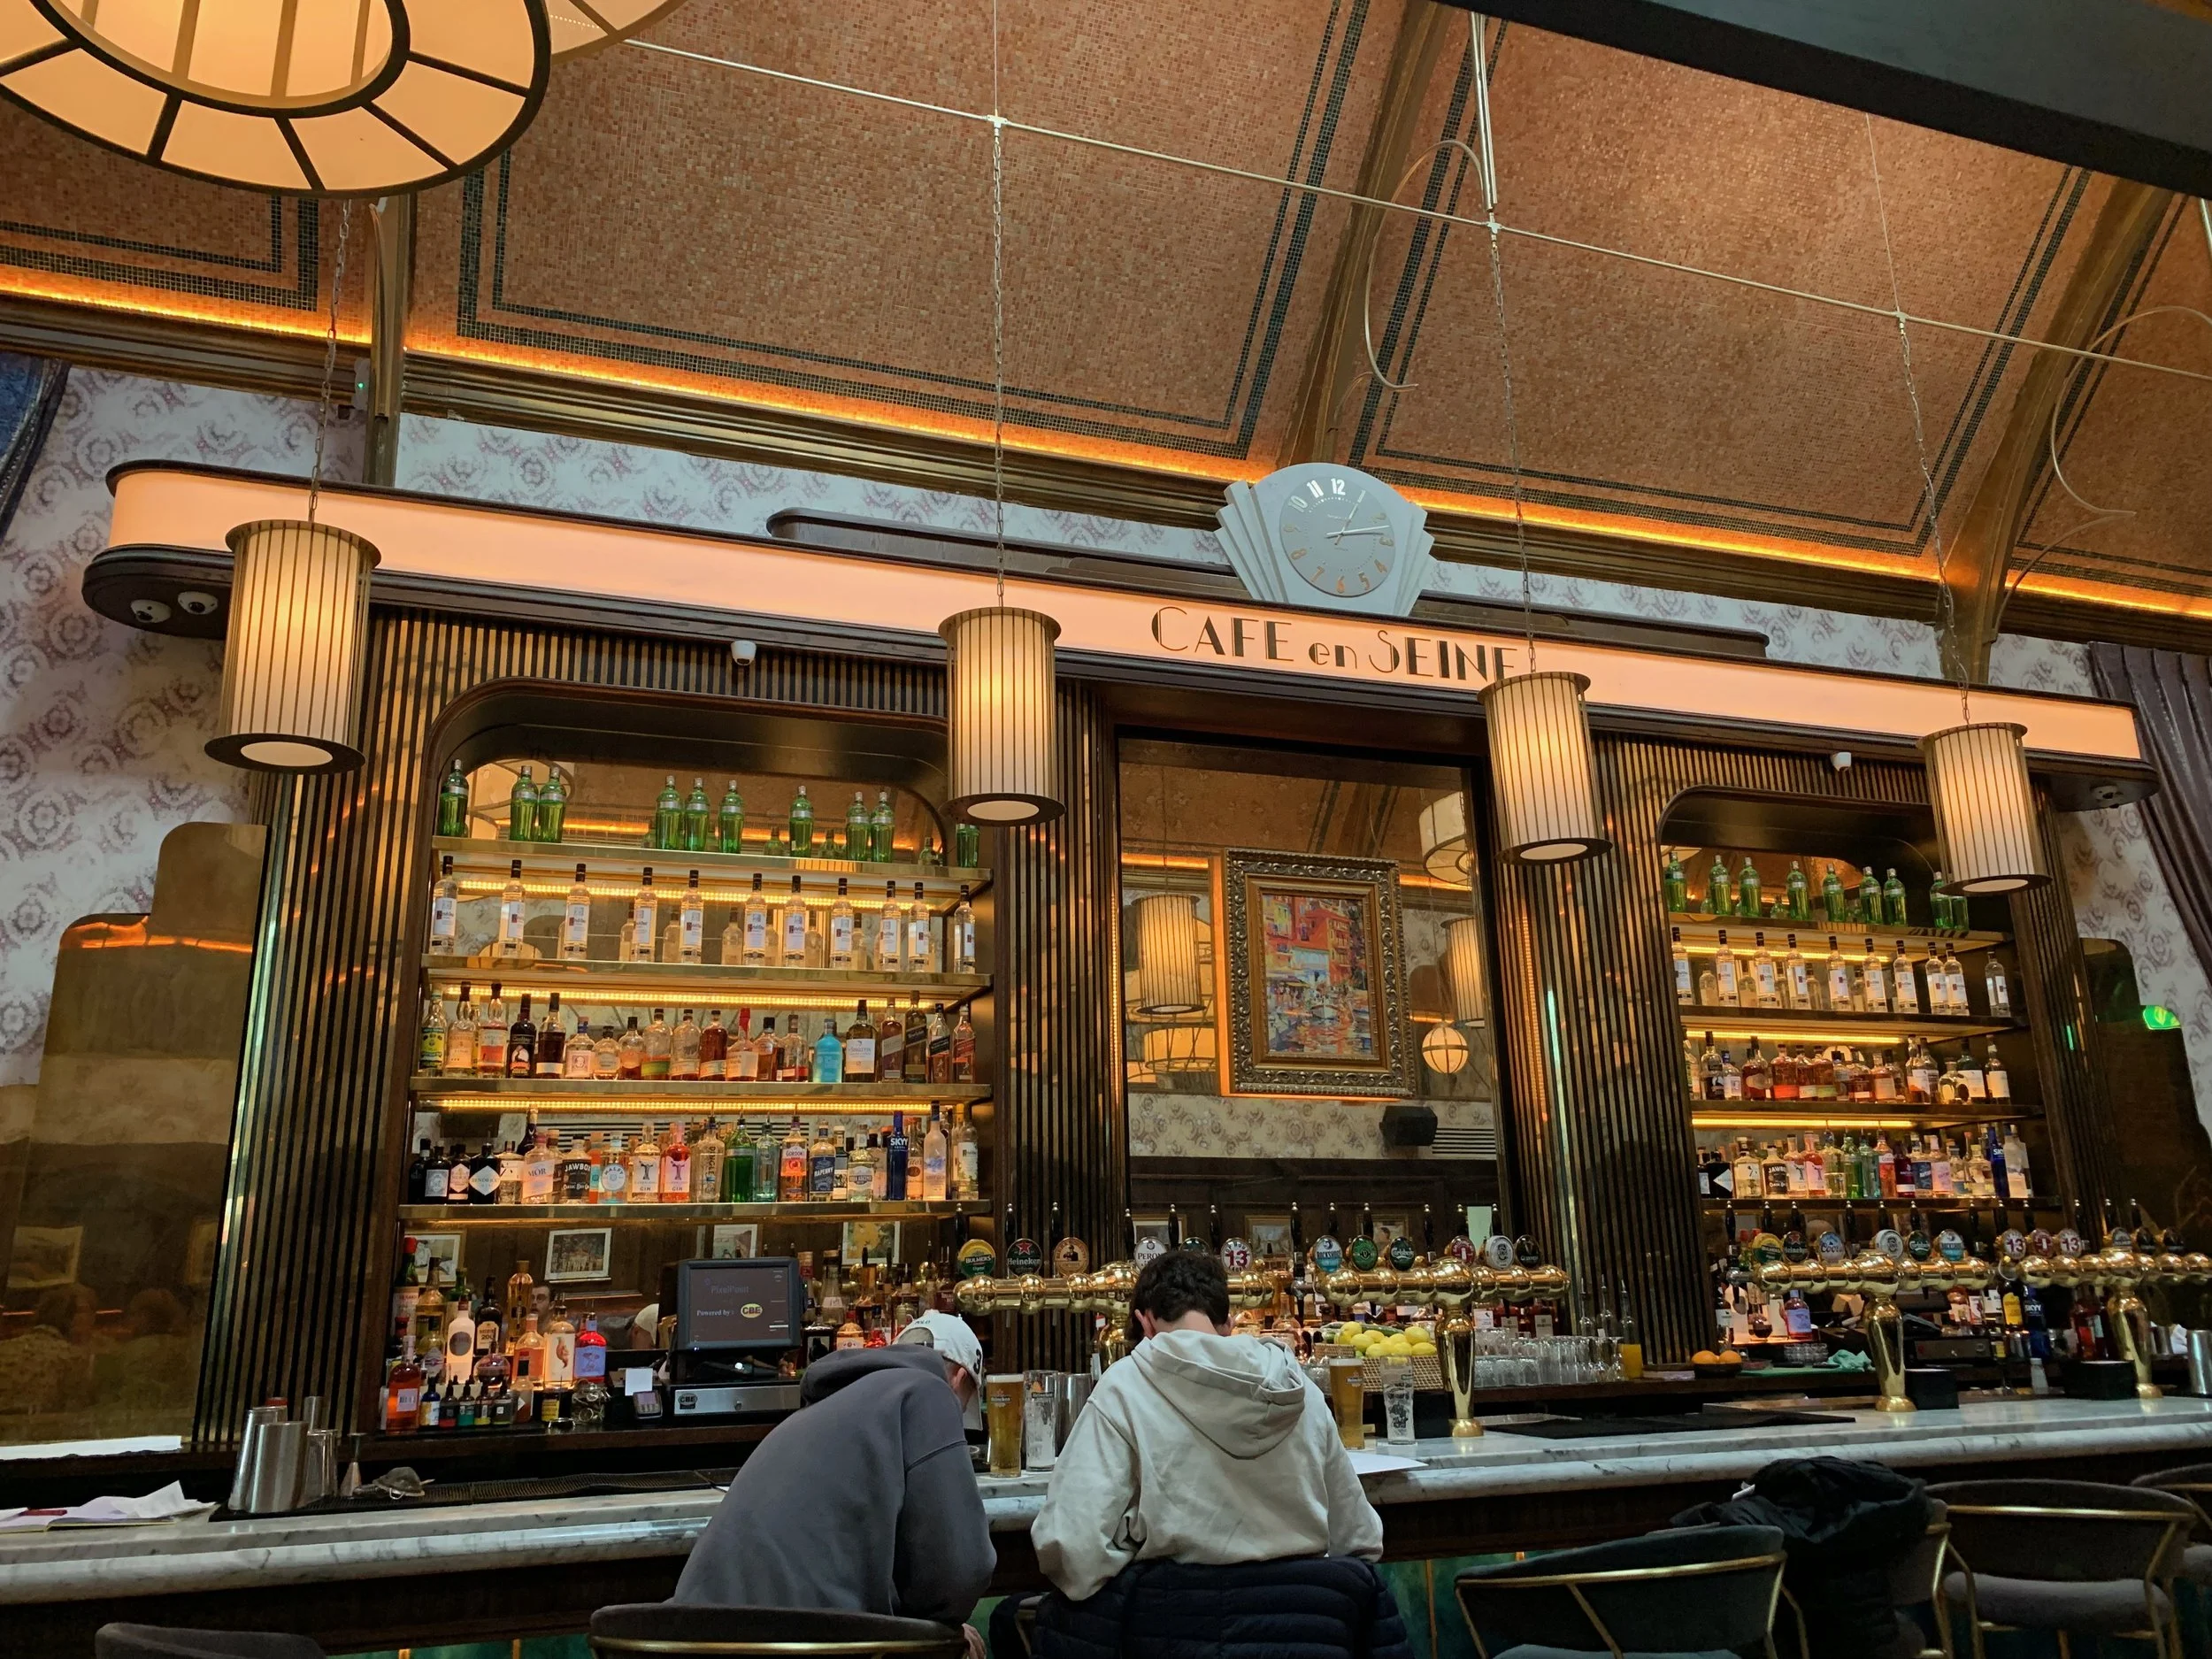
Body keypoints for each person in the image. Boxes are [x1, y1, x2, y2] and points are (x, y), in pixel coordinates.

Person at [1031, 1250, 1382, 1601]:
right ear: (1227, 1324)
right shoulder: (1300, 1387)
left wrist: (1134, 1553)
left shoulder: (1124, 1386)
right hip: (1305, 1622)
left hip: (1176, 1623)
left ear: (1145, 1323)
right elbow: (1360, 1537)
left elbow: (1071, 1548)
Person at [674, 1309, 995, 1627]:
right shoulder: (931, 1391)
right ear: (959, 1379)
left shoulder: (825, 1404)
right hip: (794, 1640)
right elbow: (960, 1572)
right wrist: (947, 1629)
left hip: (689, 1632)